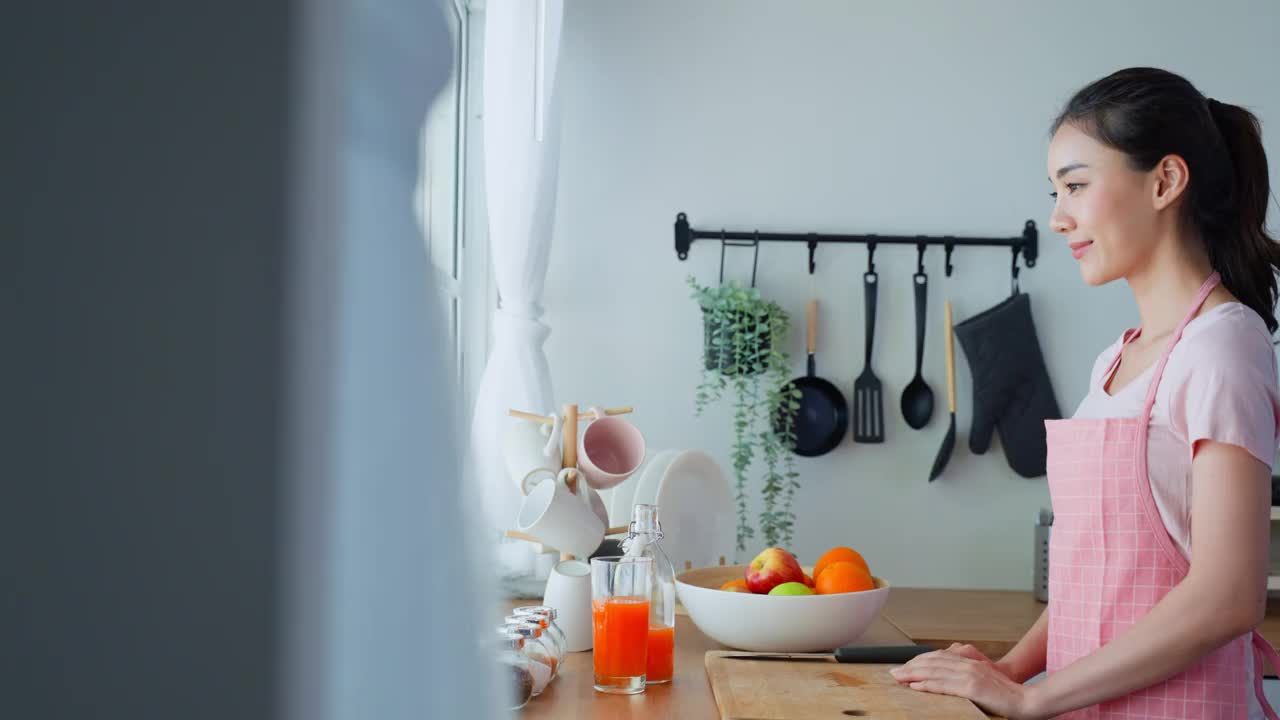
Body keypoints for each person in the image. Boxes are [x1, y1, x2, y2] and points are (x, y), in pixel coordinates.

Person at [891, 67, 1280, 719]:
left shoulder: (1221, 345)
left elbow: (1228, 594)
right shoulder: (1115, 361)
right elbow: (1093, 574)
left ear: (1165, 181)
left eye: (1075, 185)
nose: (1057, 217)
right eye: (1055, 190)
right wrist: (1012, 668)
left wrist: (1029, 700)